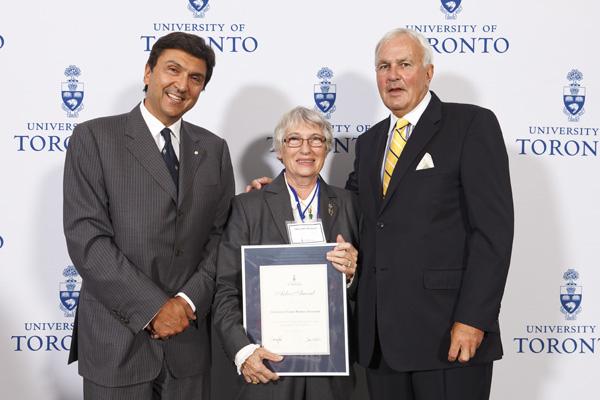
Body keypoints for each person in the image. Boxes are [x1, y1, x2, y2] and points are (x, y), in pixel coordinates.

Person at [249, 28, 513, 400]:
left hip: (448, 334)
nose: (393, 75)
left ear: (428, 72)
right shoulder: (371, 142)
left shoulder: (470, 125)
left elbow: (493, 233)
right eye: (383, 66)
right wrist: (277, 194)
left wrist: (473, 318)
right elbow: (346, 208)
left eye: (404, 64)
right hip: (381, 341)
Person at [63, 32, 235, 399]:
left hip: (187, 346)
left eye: (195, 78)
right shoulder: (94, 138)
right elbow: (87, 240)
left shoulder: (215, 150)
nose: (182, 85)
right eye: (173, 70)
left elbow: (221, 238)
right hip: (116, 343)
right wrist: (155, 309)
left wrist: (186, 303)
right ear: (148, 72)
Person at [213, 106, 359, 400]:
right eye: (294, 140)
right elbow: (225, 288)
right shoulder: (247, 207)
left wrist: (353, 275)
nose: (306, 149)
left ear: (327, 149)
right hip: (267, 369)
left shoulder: (351, 205)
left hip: (332, 377)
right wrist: (243, 351)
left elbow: (374, 287)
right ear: (279, 150)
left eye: (316, 140)